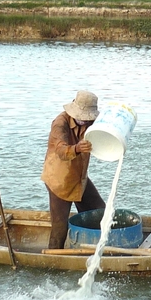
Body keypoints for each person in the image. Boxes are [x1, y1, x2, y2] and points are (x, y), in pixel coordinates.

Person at [41, 90, 106, 249]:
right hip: (59, 180)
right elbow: (61, 151)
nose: (86, 121)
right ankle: (53, 261)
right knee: (59, 226)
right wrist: (76, 148)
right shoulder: (60, 123)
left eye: (89, 118)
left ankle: (96, 248)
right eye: (84, 117)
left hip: (79, 178)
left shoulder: (90, 123)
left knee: (100, 213)